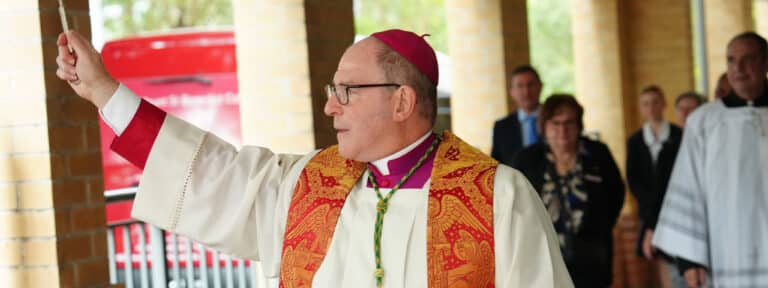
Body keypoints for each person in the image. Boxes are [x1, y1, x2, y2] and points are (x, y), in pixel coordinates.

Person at [55, 29, 573, 287]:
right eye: (332, 89)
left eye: (347, 90)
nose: (330, 105)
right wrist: (106, 93)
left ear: (402, 101)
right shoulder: (308, 183)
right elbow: (210, 171)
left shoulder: (498, 197)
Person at [653, 32, 768, 288]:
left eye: (747, 59)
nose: (737, 69)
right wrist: (688, 259)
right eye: (730, 60)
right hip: (727, 251)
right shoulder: (704, 122)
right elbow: (687, 186)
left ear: (764, 63)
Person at [512, 94, 625, 287]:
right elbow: (517, 204)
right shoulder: (528, 159)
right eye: (555, 123)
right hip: (543, 257)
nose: (562, 130)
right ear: (544, 126)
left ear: (579, 125)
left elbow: (616, 193)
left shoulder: (597, 153)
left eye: (569, 123)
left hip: (592, 258)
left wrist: (600, 228)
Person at [625, 85, 685, 287]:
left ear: (664, 104)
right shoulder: (634, 141)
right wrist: (650, 203)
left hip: (675, 205)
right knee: (656, 257)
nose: (651, 108)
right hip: (649, 209)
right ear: (641, 108)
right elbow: (633, 178)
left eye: (655, 102)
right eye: (646, 104)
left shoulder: (678, 135)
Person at [491, 65, 543, 166]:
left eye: (530, 85)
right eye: (520, 86)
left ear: (540, 87)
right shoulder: (501, 127)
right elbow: (496, 164)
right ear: (512, 92)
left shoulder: (556, 122)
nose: (526, 92)